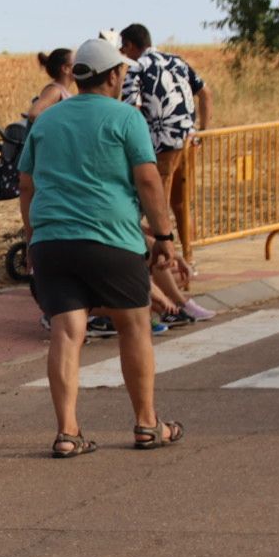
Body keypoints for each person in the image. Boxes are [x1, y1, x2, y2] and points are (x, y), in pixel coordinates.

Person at [25, 38, 188, 458]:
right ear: (114, 74)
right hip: (111, 238)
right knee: (133, 326)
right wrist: (165, 238)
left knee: (66, 330)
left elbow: (26, 182)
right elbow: (149, 180)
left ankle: (67, 432)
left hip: (53, 240)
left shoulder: (46, 121)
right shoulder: (125, 118)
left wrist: (31, 236)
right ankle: (147, 424)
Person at [119, 24, 213, 268]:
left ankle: (166, 263)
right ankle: (189, 258)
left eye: (123, 47)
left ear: (130, 45)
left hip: (160, 145)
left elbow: (132, 111)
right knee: (181, 203)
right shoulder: (177, 61)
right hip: (188, 142)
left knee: (155, 206)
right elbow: (206, 94)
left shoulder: (136, 68)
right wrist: (202, 131)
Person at [26, 48, 74, 122]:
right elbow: (33, 114)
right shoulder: (55, 90)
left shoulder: (62, 91)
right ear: (65, 69)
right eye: (76, 63)